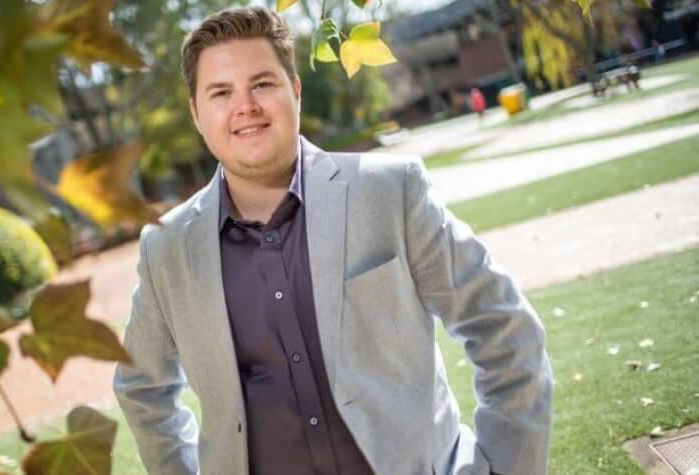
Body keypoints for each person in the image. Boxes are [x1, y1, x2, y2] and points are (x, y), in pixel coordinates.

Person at [114, 7, 552, 475]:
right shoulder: (165, 250)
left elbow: (504, 328)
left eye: (262, 84)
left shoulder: (389, 191)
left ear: (295, 92)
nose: (245, 105)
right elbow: (143, 388)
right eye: (221, 92)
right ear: (197, 114)